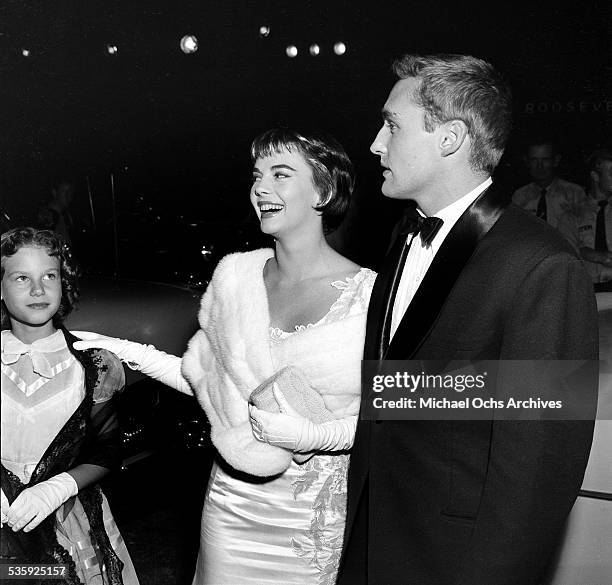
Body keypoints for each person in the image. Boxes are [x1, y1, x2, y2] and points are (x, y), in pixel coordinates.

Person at [337, 54, 598, 585]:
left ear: (450, 138)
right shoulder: (403, 233)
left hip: (453, 558)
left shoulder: (542, 266)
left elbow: (538, 469)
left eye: (391, 126)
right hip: (373, 534)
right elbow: (411, 391)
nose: (375, 144)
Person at [73, 128, 377, 585]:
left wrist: (316, 434)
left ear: (325, 191)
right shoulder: (236, 276)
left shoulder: (369, 295)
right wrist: (129, 351)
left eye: (281, 174)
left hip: (312, 520)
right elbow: (208, 384)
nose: (260, 189)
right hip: (232, 507)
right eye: (257, 176)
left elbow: (389, 414)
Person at [0, 227, 139, 584]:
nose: (38, 290)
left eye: (49, 275)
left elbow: (108, 450)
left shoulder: (94, 365)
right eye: (21, 278)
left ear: (64, 283)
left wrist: (57, 487)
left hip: (68, 521)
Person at [558, 148, 612, 291]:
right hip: (586, 289)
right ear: (595, 176)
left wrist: (589, 253)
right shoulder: (573, 215)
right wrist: (593, 254)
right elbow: (567, 255)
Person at [512, 138, 586, 228]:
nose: (540, 166)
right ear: (527, 162)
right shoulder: (520, 197)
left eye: (545, 160)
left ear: (556, 161)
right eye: (534, 160)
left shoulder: (574, 194)